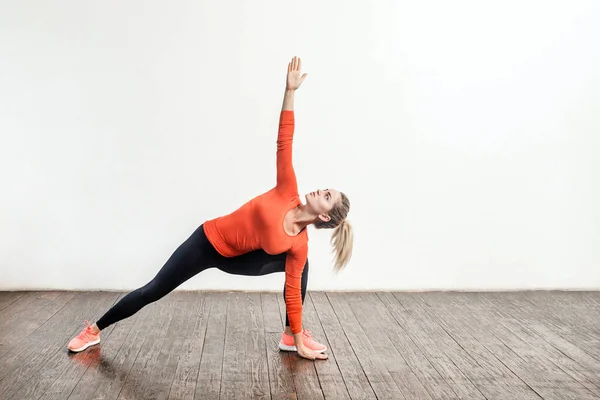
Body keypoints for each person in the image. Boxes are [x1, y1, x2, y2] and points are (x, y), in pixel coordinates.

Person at [67, 56, 353, 361]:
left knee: (300, 266)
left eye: (325, 195)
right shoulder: (288, 189)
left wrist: (298, 341)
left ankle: (289, 336)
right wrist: (290, 91)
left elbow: (293, 294)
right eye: (325, 189)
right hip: (206, 242)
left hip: (236, 260)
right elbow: (285, 140)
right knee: (153, 290)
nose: (319, 190)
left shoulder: (299, 243)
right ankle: (94, 330)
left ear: (324, 215)